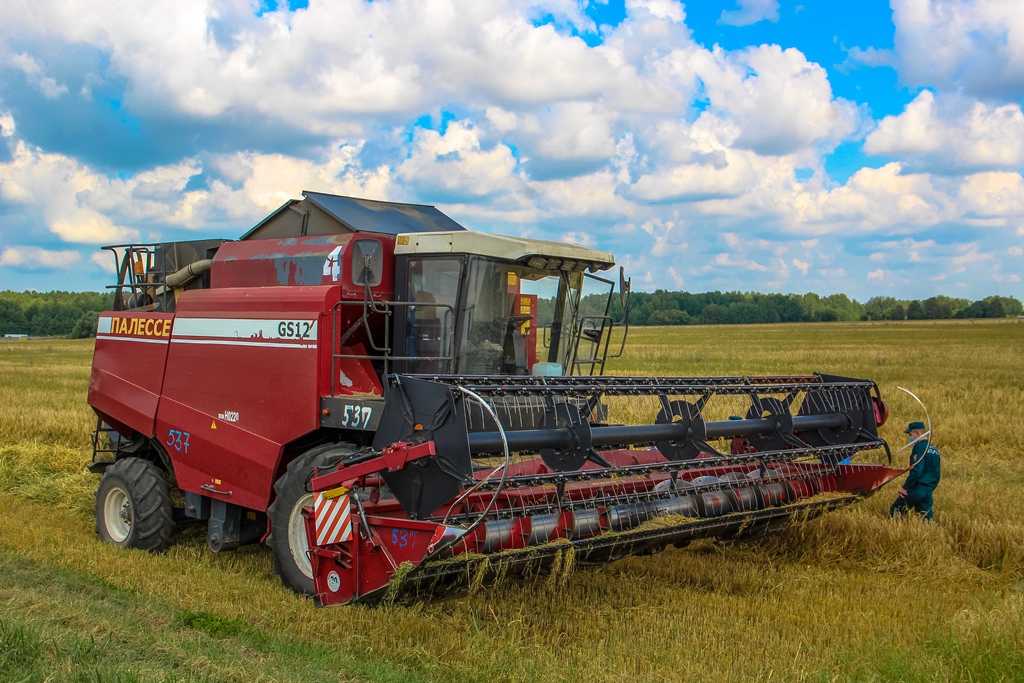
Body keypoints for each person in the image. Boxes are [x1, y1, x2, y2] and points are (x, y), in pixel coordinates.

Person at [890, 421, 941, 520]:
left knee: (896, 511)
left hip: (917, 488)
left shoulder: (919, 448)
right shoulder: (934, 450)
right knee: (926, 519)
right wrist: (930, 488)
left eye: (910, 434)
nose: (910, 437)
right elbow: (937, 472)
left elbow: (917, 471)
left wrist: (905, 488)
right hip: (928, 490)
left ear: (917, 433)